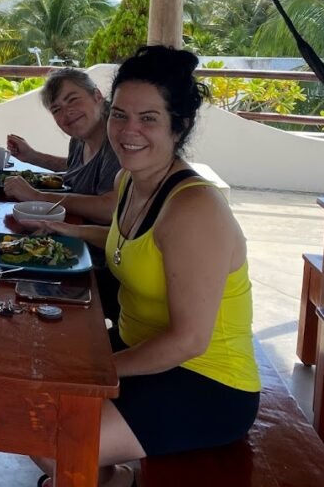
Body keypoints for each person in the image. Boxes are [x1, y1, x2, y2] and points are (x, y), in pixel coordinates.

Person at [33, 46, 260, 487]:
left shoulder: (195, 208)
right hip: (139, 351)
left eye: (148, 118)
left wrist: (100, 370)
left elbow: (189, 341)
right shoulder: (129, 181)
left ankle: (103, 477)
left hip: (206, 382)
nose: (128, 131)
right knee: (31, 396)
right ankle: (110, 478)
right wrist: (64, 231)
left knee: (48, 433)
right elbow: (130, 246)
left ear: (180, 126)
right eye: (119, 115)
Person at [4, 68, 120, 225]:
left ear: (97, 96)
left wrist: (37, 196)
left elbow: (110, 210)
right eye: (57, 109)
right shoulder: (79, 140)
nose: (67, 112)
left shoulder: (116, 143)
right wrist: (32, 156)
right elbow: (76, 169)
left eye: (72, 100)